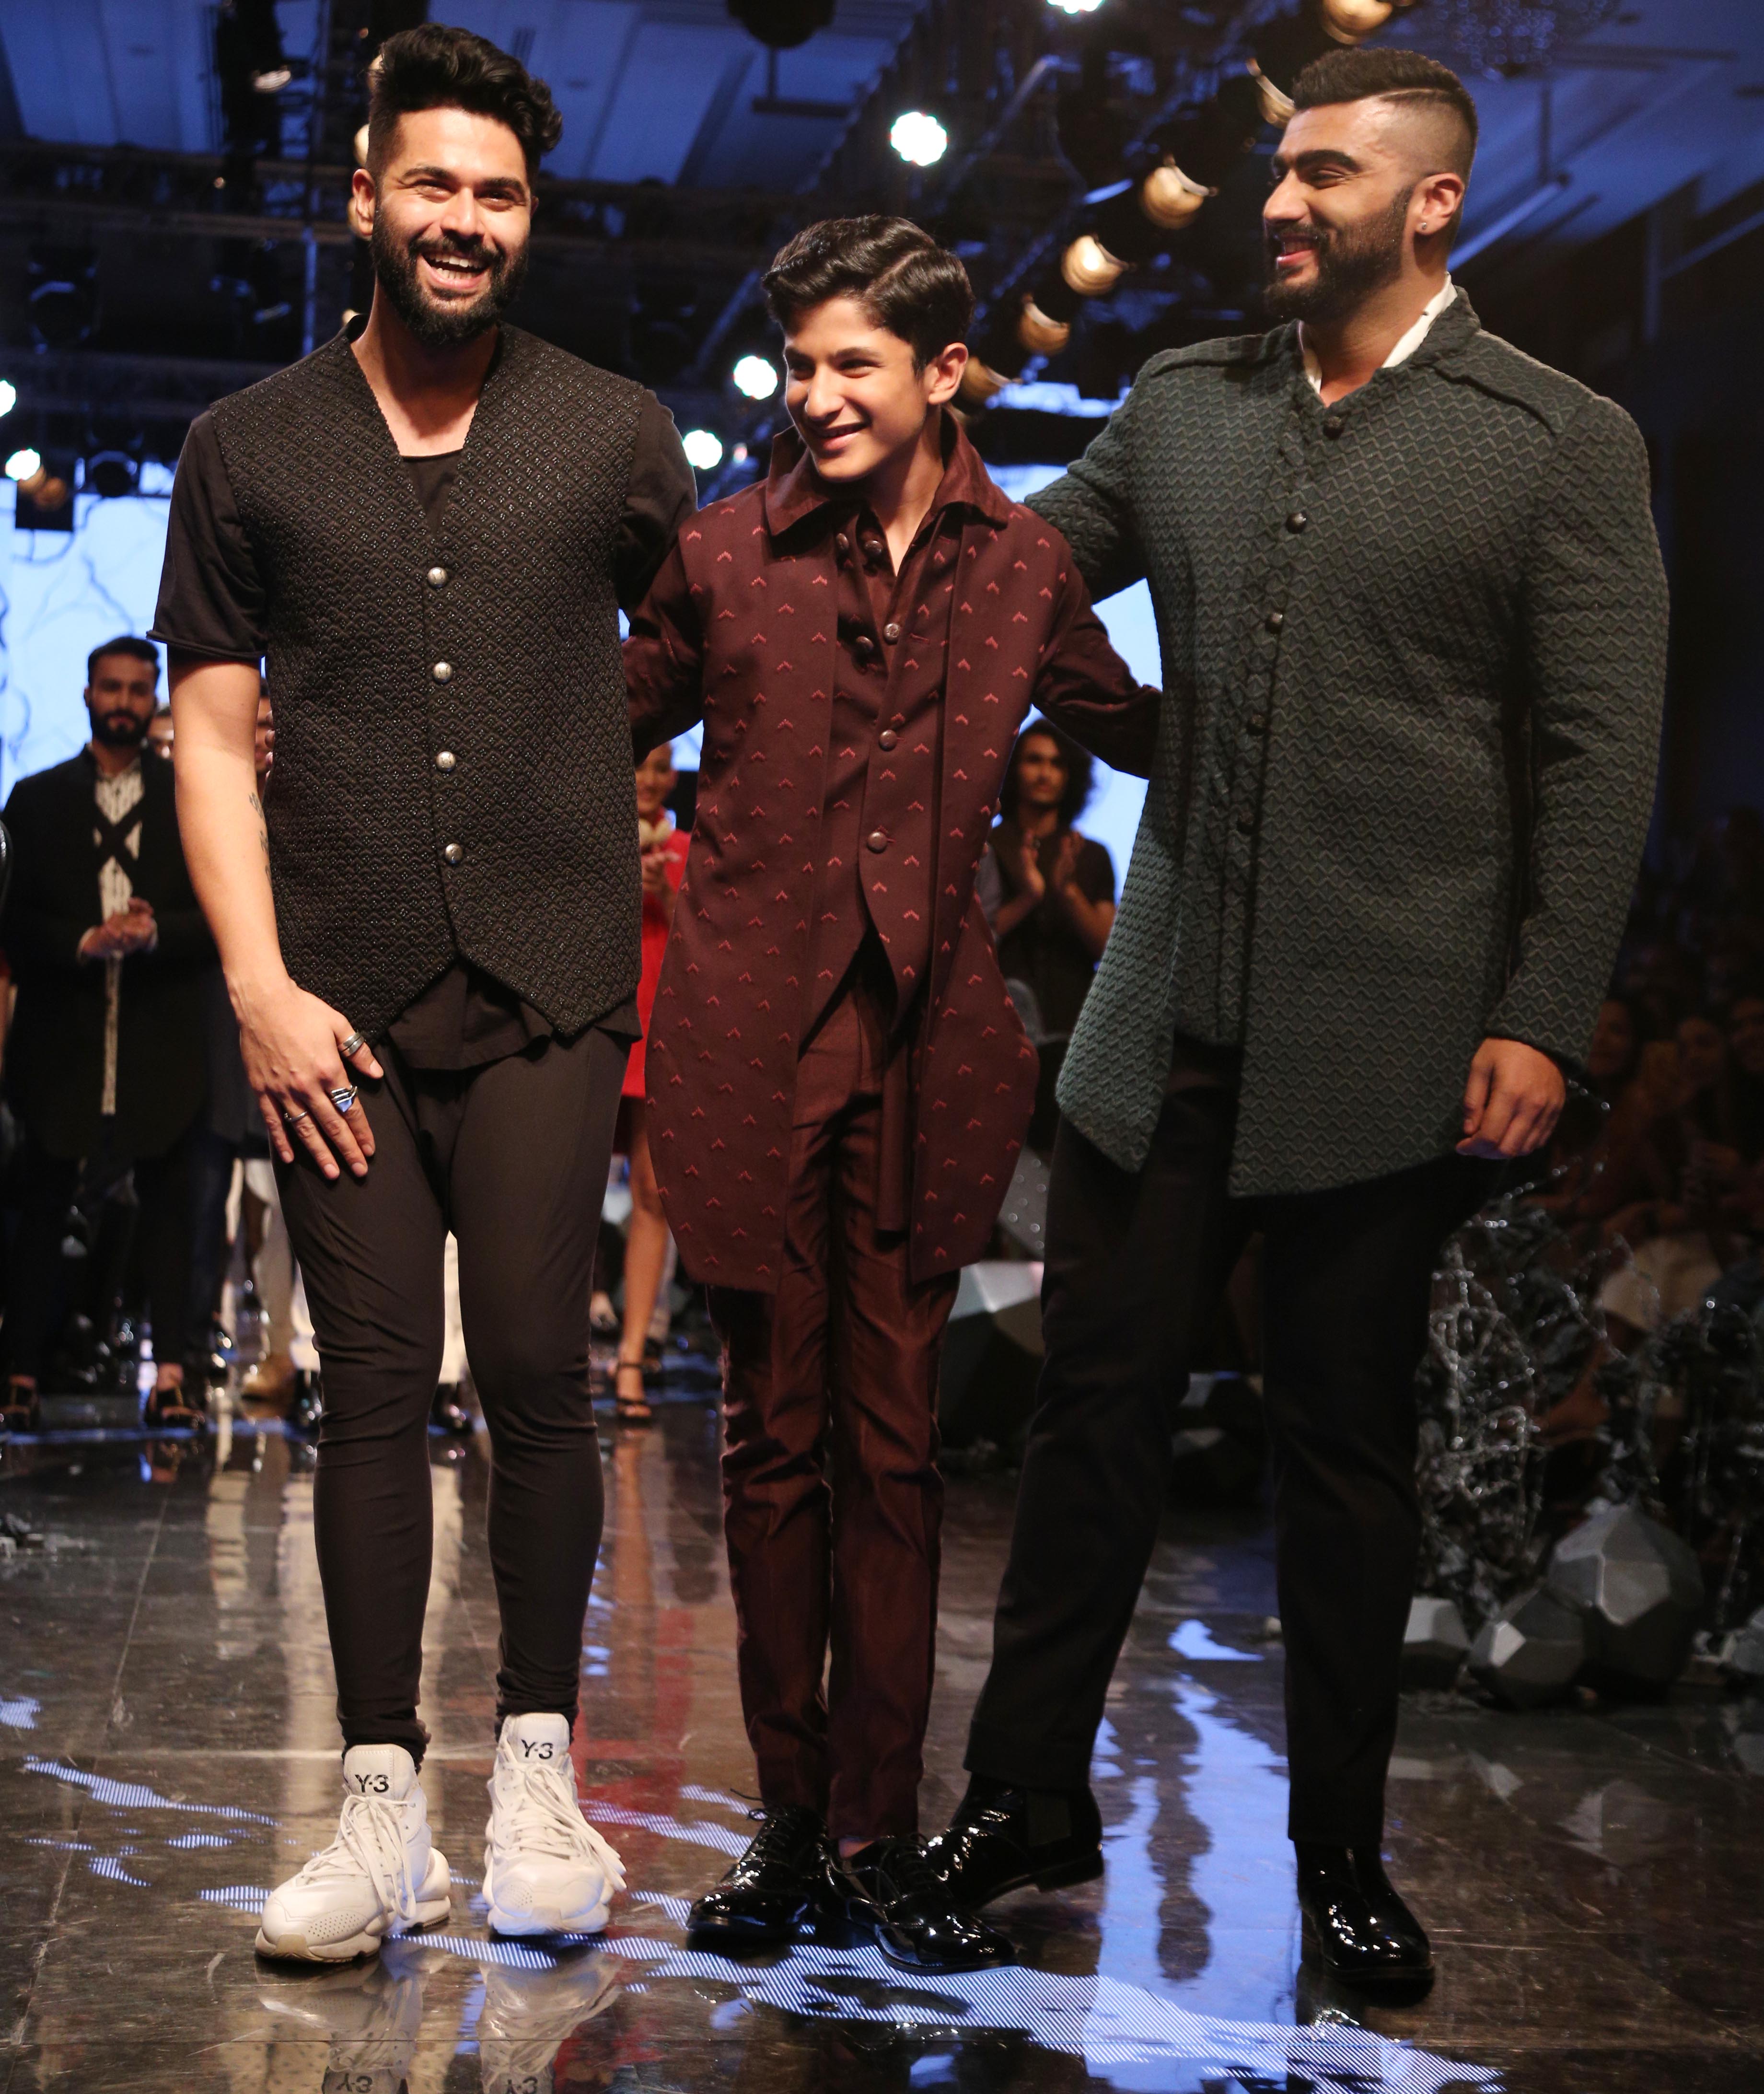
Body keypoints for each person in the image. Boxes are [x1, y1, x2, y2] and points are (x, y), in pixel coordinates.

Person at [925, 46, 1668, 1991]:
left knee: (1342, 1453)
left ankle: (1339, 1856)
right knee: (1085, 1421)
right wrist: (941, 473)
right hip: (1154, 1017)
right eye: (1274, 168)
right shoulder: (1184, 404)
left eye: (1322, 171)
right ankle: (1019, 1798)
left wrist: (1543, 1012)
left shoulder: (1553, 438)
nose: (1276, 200)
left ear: (1431, 201)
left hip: (1386, 1029)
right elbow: (1016, 578)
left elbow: (1600, 760)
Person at [153, 23, 696, 1960]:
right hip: (343, 999)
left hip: (554, 976)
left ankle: (537, 1776)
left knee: (540, 1368)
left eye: (501, 194)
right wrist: (257, 985)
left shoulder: (615, 432)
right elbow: (213, 739)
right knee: (371, 1387)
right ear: (366, 195)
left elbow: (698, 648)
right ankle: (381, 1805)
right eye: (435, 185)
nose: (467, 220)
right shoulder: (248, 446)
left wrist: (606, 782)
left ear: (528, 218)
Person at [625, 215, 1161, 1974]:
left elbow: (1142, 727)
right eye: (797, 364)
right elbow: (584, 727)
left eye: (849, 362)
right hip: (746, 1053)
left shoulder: (1022, 566)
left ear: (943, 372)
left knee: (898, 1448)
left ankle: (873, 1830)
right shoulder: (725, 553)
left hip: (931, 1059)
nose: (812, 394)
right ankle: (789, 1819)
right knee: (768, 1440)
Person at [0, 636, 215, 1434]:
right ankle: (19, 1373)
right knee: (42, 1206)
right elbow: (10, 920)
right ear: (87, 692)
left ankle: (172, 1377)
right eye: (111, 687)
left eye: (136, 689)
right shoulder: (34, 799)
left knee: (170, 1209)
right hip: (62, 1035)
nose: (123, 702)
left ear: (154, 696)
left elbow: (221, 918)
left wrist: (157, 933)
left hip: (161, 1035)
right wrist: (80, 942)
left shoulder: (188, 796)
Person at [611, 739, 688, 1426]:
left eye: (662, 766)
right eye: (641, 763)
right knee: (564, 1193)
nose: (650, 778)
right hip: (596, 1023)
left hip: (662, 1033)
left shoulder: (689, 850)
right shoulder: (594, 839)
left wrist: (667, 892)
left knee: (652, 1193)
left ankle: (632, 1356)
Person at [985, 721, 1116, 1047]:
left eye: (1057, 764)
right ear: (1012, 768)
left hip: (1075, 1025)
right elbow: (970, 939)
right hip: (996, 1018)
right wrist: (1029, 898)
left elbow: (1107, 949)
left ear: (1072, 774)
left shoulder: (1090, 854)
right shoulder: (986, 847)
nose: (1045, 774)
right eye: (1034, 760)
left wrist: (1068, 891)